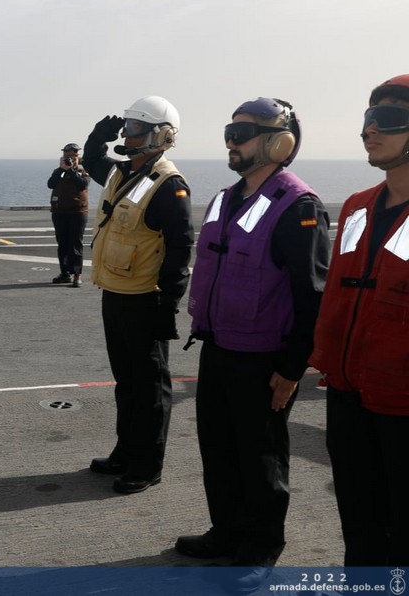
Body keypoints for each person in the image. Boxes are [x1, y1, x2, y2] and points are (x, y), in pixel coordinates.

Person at [177, 98, 330, 571]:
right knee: (219, 448)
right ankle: (226, 532)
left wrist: (290, 369)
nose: (231, 140)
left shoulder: (297, 206)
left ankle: (261, 548)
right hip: (219, 346)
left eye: (241, 133)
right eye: (229, 131)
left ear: (278, 143)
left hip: (263, 359)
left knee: (260, 456)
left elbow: (312, 298)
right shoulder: (228, 196)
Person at [311, 75, 409, 567]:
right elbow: (340, 289)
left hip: (403, 405)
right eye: (368, 120)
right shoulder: (356, 206)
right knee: (360, 525)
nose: (370, 130)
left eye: (387, 119)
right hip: (347, 393)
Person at [82, 96, 194, 494]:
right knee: (126, 381)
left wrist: (169, 303)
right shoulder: (125, 173)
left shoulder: (168, 185)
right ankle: (125, 452)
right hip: (115, 291)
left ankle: (147, 465)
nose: (127, 136)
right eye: (126, 129)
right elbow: (94, 164)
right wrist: (96, 139)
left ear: (160, 136)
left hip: (146, 298)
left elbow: (180, 248)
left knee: (149, 387)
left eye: (135, 129)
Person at [47, 142, 89, 286]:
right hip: (59, 212)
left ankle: (77, 275)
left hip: (78, 212)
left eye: (73, 156)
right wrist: (61, 169)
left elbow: (82, 184)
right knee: (62, 244)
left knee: (75, 244)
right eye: (67, 155)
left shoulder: (83, 171)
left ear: (78, 157)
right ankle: (65, 273)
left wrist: (71, 170)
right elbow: (51, 184)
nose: (70, 158)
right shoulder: (58, 171)